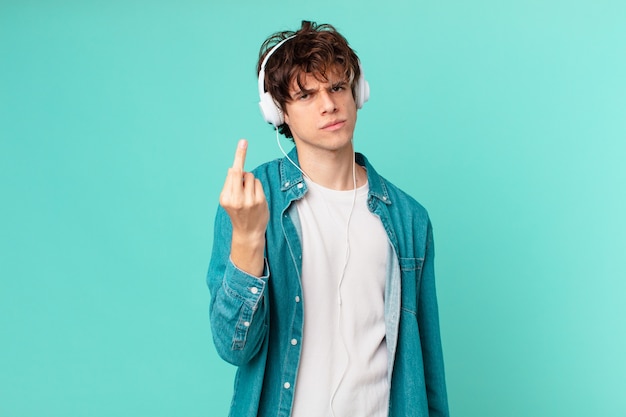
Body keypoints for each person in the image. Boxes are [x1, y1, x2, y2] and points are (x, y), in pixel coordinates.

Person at [207, 20, 449, 417]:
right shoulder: (253, 202)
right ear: (277, 111)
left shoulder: (409, 219)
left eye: (337, 87)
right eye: (306, 95)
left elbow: (427, 367)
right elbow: (234, 346)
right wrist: (249, 238)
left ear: (358, 94)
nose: (328, 104)